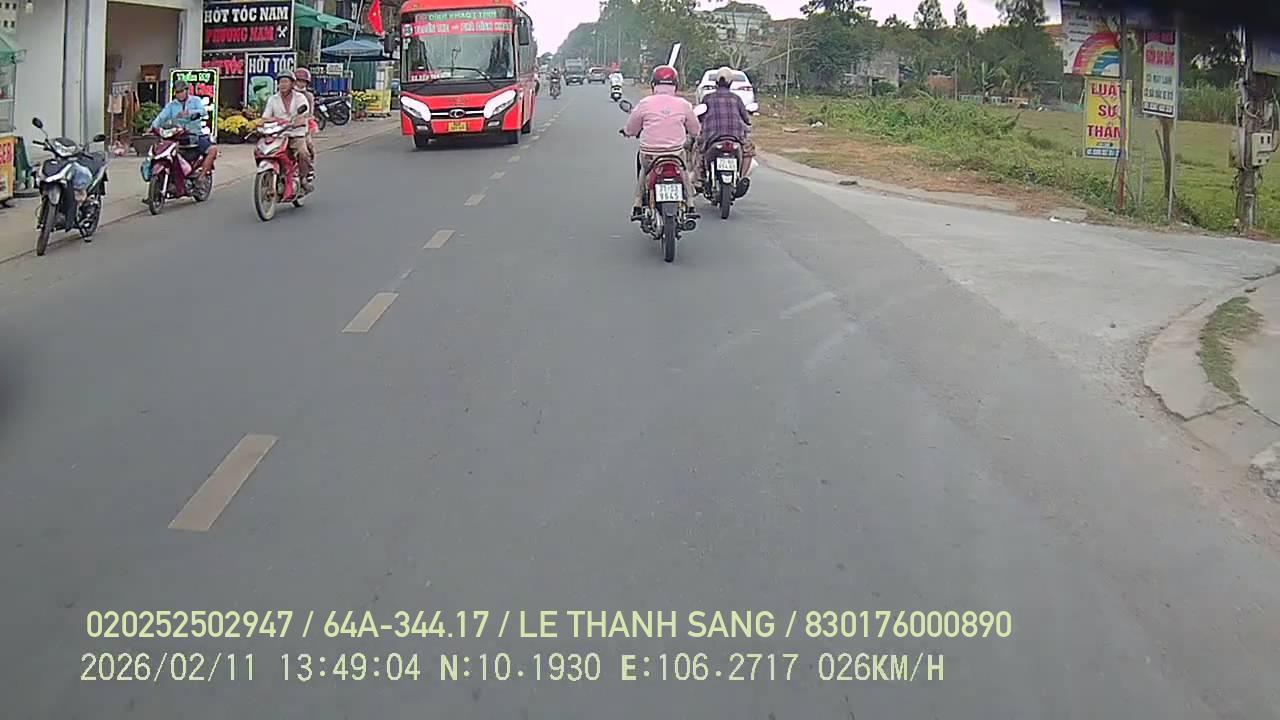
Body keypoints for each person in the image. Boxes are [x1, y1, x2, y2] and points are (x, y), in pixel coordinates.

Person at [620, 65, 700, 221]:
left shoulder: (645, 103)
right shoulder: (683, 104)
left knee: (644, 169)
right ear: (675, 84)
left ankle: (637, 203)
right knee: (683, 170)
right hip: (675, 153)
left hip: (650, 153)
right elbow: (695, 130)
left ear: (653, 84)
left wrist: (627, 132)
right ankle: (690, 203)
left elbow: (631, 128)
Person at [694, 67, 752, 196]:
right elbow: (746, 119)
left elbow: (700, 116)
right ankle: (742, 177)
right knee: (749, 151)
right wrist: (748, 123)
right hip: (736, 138)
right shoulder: (736, 99)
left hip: (712, 138)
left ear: (716, 83)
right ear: (731, 83)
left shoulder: (707, 98)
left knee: (699, 150)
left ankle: (700, 179)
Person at [151, 78, 218, 178]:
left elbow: (203, 111)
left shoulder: (195, 100)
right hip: (177, 136)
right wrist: (152, 127)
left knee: (213, 150)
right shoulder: (171, 106)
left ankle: (201, 176)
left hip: (194, 135)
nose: (180, 94)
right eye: (177, 92)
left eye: (181, 91)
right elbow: (161, 117)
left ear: (186, 91)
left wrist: (190, 112)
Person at [261, 70, 313, 192]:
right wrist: (271, 121)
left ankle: (303, 178)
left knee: (303, 153)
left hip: (296, 134)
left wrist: (298, 121)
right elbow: (265, 117)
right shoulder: (273, 99)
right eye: (281, 82)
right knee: (263, 151)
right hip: (278, 135)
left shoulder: (300, 98)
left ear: (292, 84)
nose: (283, 85)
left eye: (285, 82)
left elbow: (304, 115)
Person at [294, 68, 318, 170]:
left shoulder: (309, 96)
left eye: (303, 81)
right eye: (299, 81)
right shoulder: (288, 93)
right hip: (287, 125)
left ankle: (309, 166)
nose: (301, 84)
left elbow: (310, 112)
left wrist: (305, 118)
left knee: (308, 144)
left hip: (304, 125)